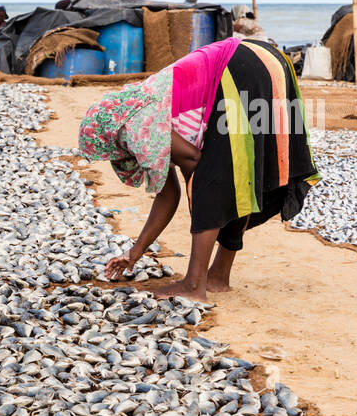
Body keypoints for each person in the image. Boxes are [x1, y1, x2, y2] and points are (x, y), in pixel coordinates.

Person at [79, 38, 320, 302]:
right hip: (262, 59)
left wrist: (202, 203)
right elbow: (169, 195)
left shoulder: (135, 127)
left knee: (214, 180)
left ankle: (195, 285)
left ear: (112, 137)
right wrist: (134, 253)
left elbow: (193, 160)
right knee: (239, 173)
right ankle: (218, 276)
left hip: (237, 70)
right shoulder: (138, 105)